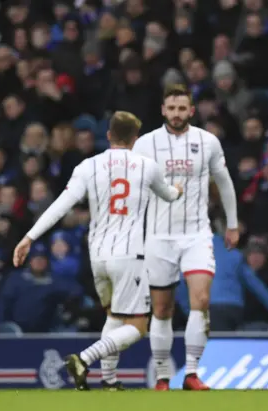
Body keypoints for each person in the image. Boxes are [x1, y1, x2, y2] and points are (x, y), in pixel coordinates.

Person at [12, 112, 183, 390]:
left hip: (97, 256)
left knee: (114, 317)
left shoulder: (87, 166)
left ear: (108, 136)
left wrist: (29, 237)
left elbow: (61, 205)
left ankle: (110, 379)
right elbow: (168, 196)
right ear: (135, 139)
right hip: (129, 255)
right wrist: (177, 190)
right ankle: (83, 358)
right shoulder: (146, 165)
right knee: (139, 327)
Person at [132, 84, 239, 391]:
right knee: (162, 309)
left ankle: (191, 373)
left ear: (191, 111)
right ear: (163, 111)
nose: (177, 114)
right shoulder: (145, 144)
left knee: (201, 300)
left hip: (196, 234)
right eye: (172, 108)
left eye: (182, 109)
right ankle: (164, 376)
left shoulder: (207, 142)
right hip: (158, 237)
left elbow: (225, 183)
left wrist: (232, 224)